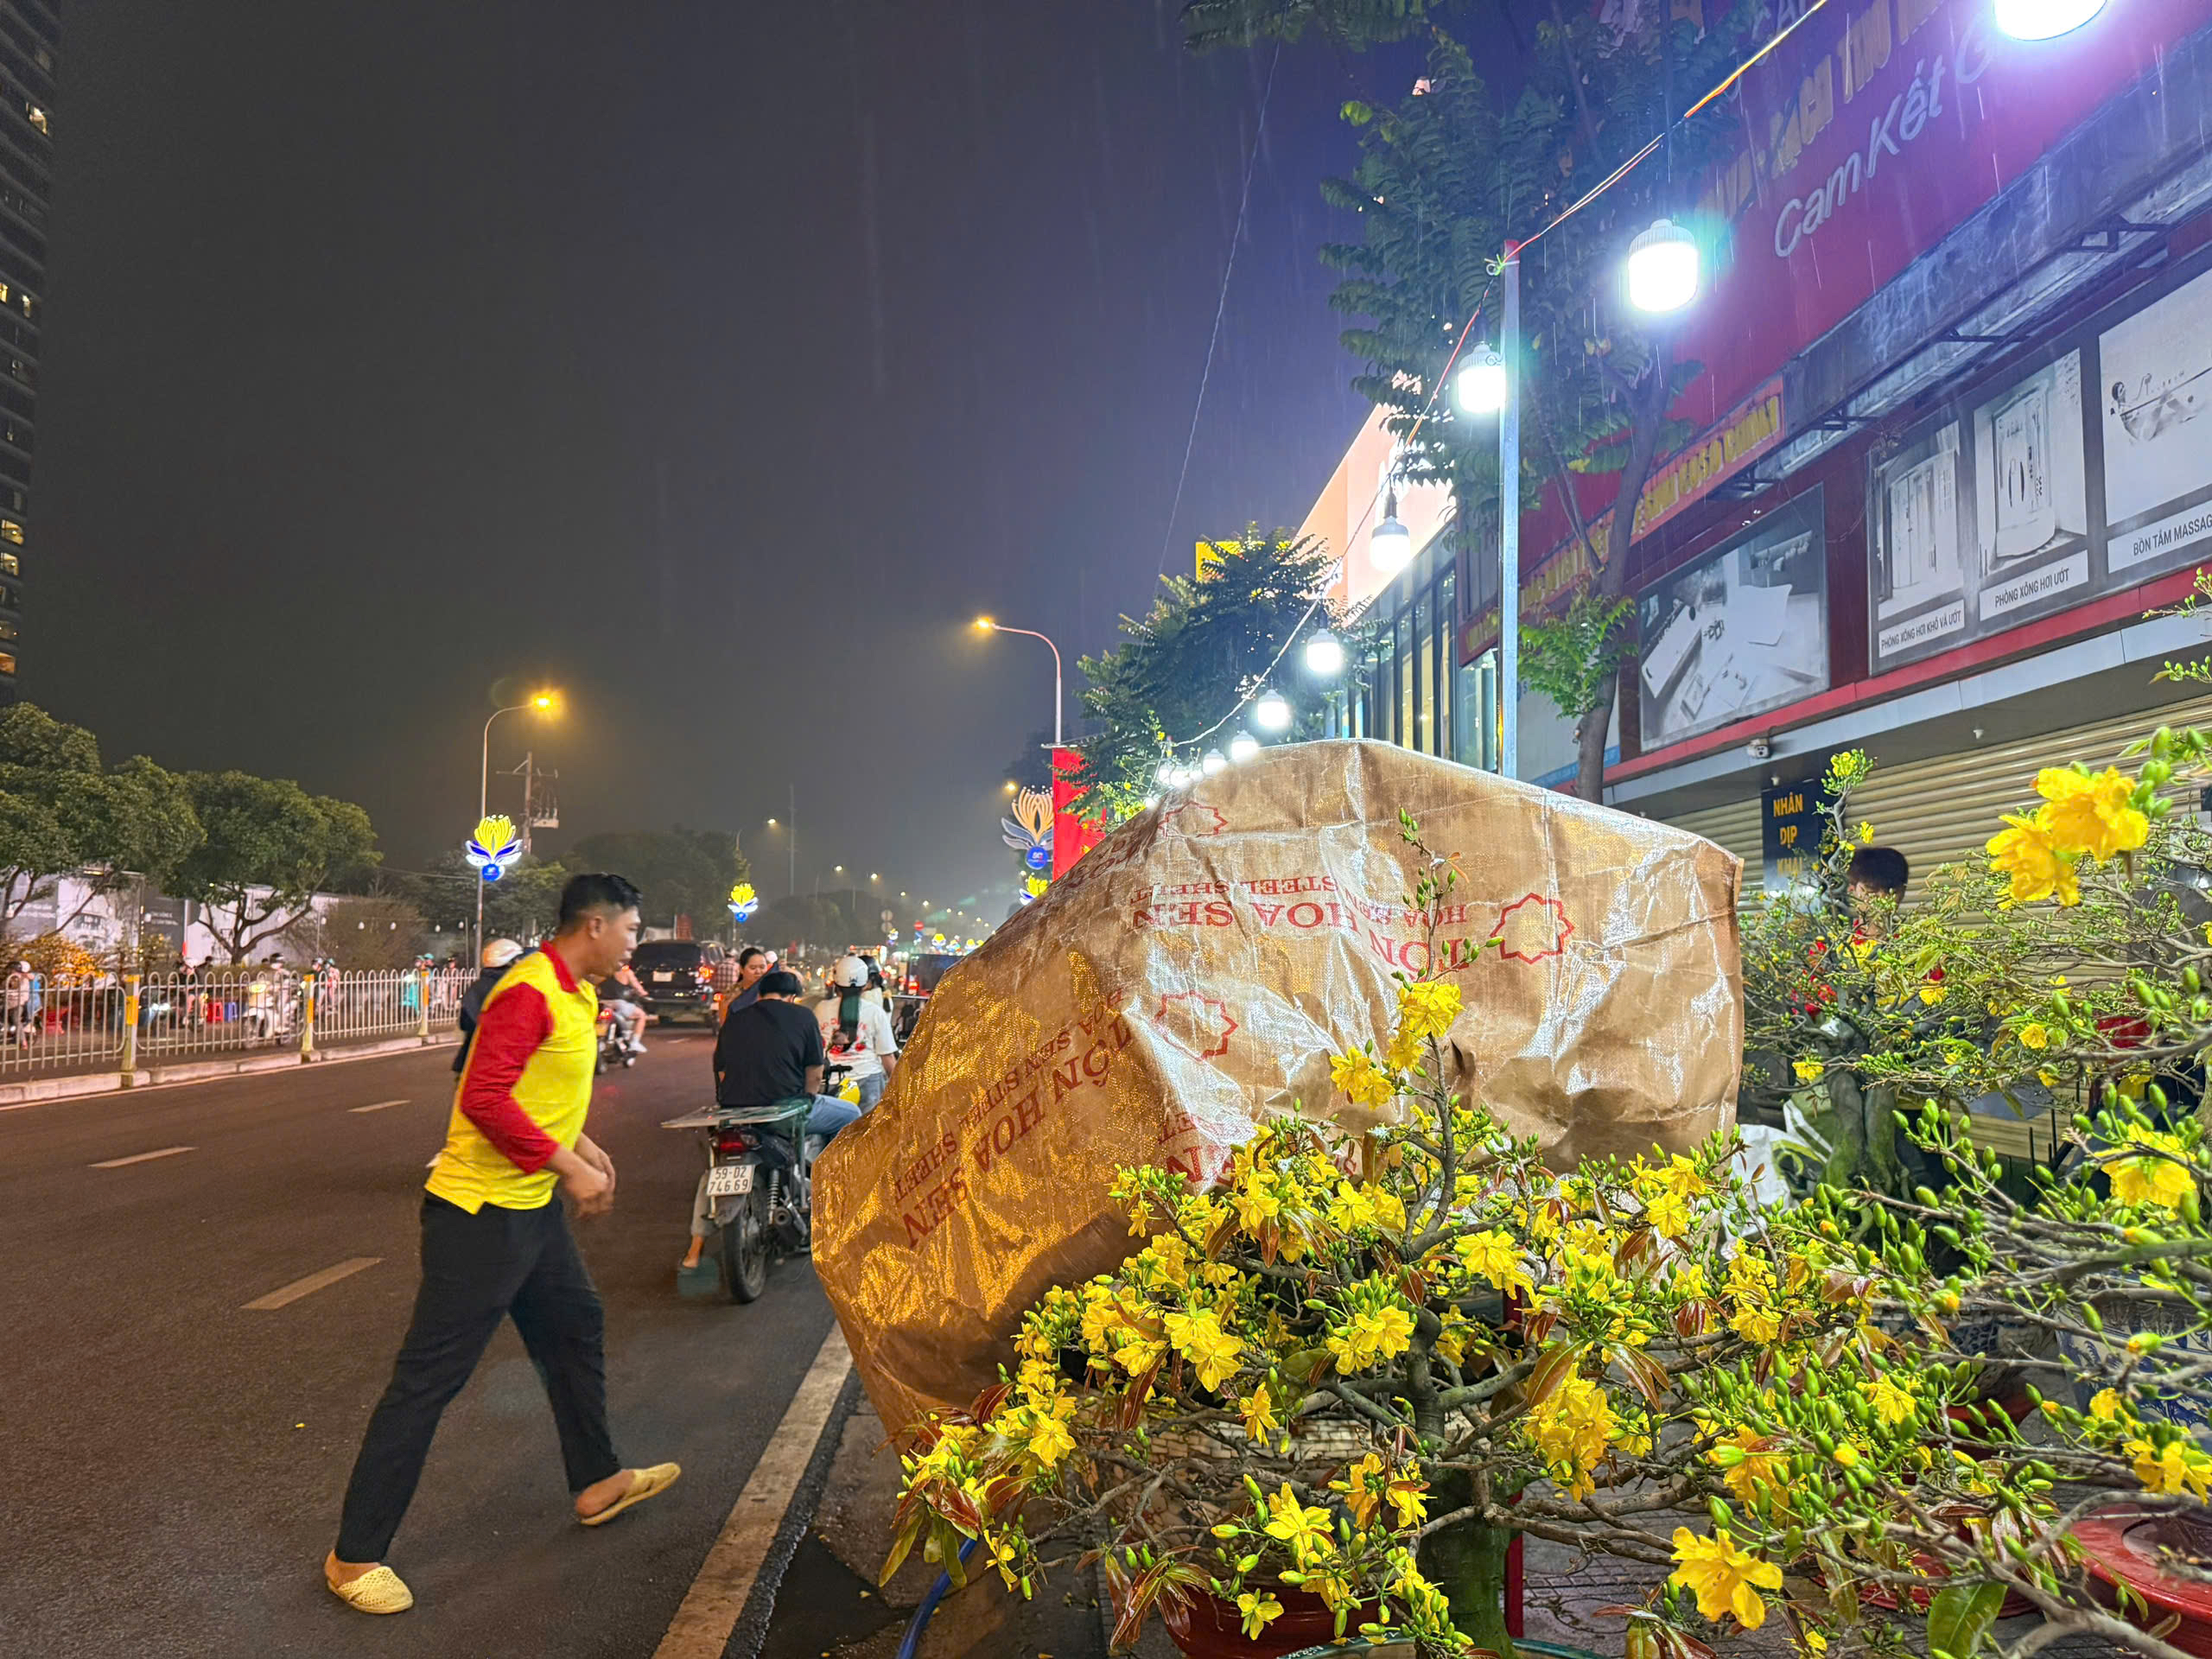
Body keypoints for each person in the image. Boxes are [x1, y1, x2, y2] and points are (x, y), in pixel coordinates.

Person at [324, 873, 678, 1617]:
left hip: (530, 1209)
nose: (633, 942)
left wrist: (584, 1146)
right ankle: (354, 1557)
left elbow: (537, 1090)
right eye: (632, 930)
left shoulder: (577, 991)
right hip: (479, 1214)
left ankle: (596, 1480)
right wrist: (570, 1167)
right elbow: (484, 1096)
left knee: (574, 1325)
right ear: (594, 925)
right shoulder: (530, 989)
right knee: (429, 1382)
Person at [680, 969, 860, 1274]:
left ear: (761, 993)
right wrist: (807, 1097)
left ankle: (694, 1251)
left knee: (712, 1173)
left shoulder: (735, 1018)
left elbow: (721, 1069)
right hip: (784, 1111)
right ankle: (830, 1188)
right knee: (851, 1115)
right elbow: (815, 1071)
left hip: (736, 1111)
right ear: (791, 996)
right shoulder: (802, 1017)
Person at [814, 953, 899, 1113]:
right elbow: (887, 1057)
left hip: (830, 1082)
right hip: (868, 1082)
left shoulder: (821, 1008)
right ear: (864, 984)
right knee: (866, 1136)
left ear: (836, 982)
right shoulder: (875, 1012)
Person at [454, 938, 525, 1074]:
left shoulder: (475, 988)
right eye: (517, 960)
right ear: (508, 962)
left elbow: (465, 1024)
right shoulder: (512, 987)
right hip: (504, 1062)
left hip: (470, 1060)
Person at [598, 958, 649, 1056]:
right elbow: (637, 986)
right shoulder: (626, 972)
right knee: (641, 1015)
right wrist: (643, 993)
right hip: (618, 1004)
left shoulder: (600, 971)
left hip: (601, 1003)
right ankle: (634, 1042)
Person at [718, 945, 768, 1022]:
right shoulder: (730, 994)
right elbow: (724, 1026)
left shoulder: (771, 992)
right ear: (741, 969)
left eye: (762, 967)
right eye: (753, 968)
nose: (758, 972)